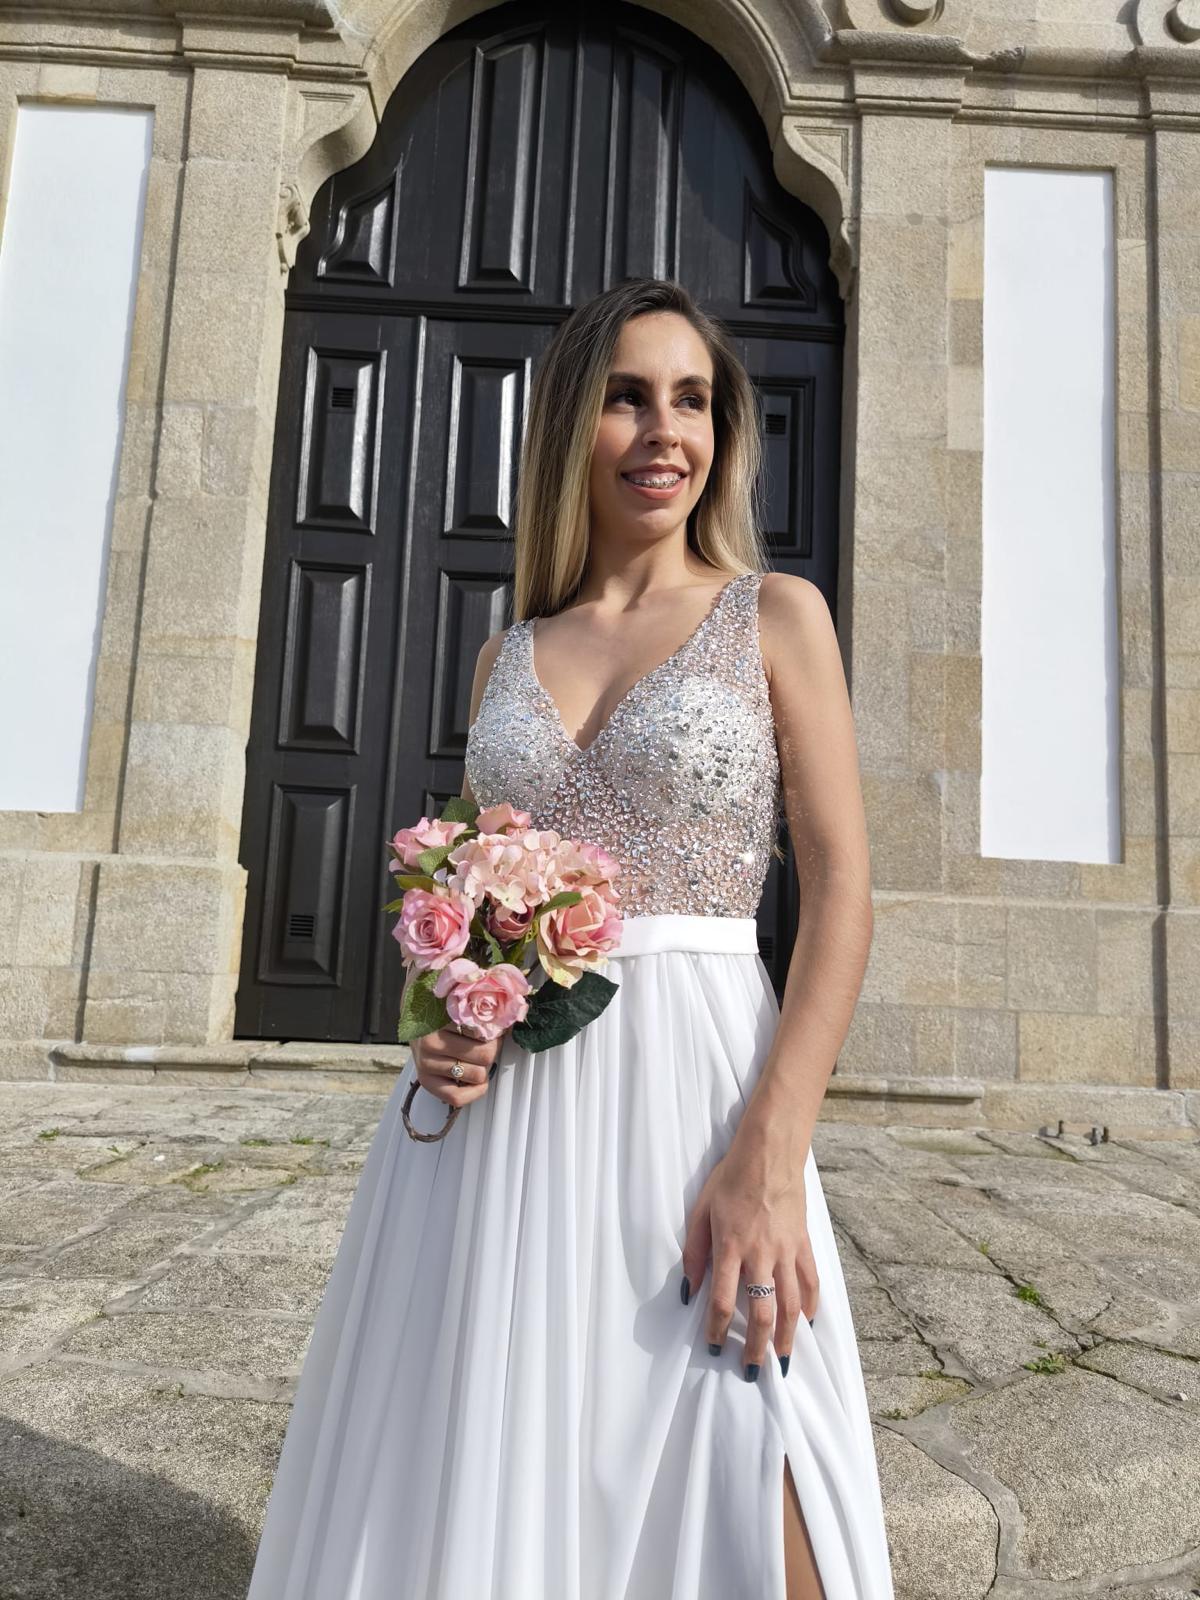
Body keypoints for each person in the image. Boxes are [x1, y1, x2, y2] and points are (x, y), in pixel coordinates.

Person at [245, 277, 895, 1599]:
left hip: (704, 1093)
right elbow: (484, 896)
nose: (666, 432)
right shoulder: (506, 655)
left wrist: (771, 1153)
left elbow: (839, 891)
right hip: (506, 1133)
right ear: (570, 427)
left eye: (694, 400)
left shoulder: (776, 617)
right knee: (492, 1470)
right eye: (628, 397)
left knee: (753, 1446)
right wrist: (443, 1025)